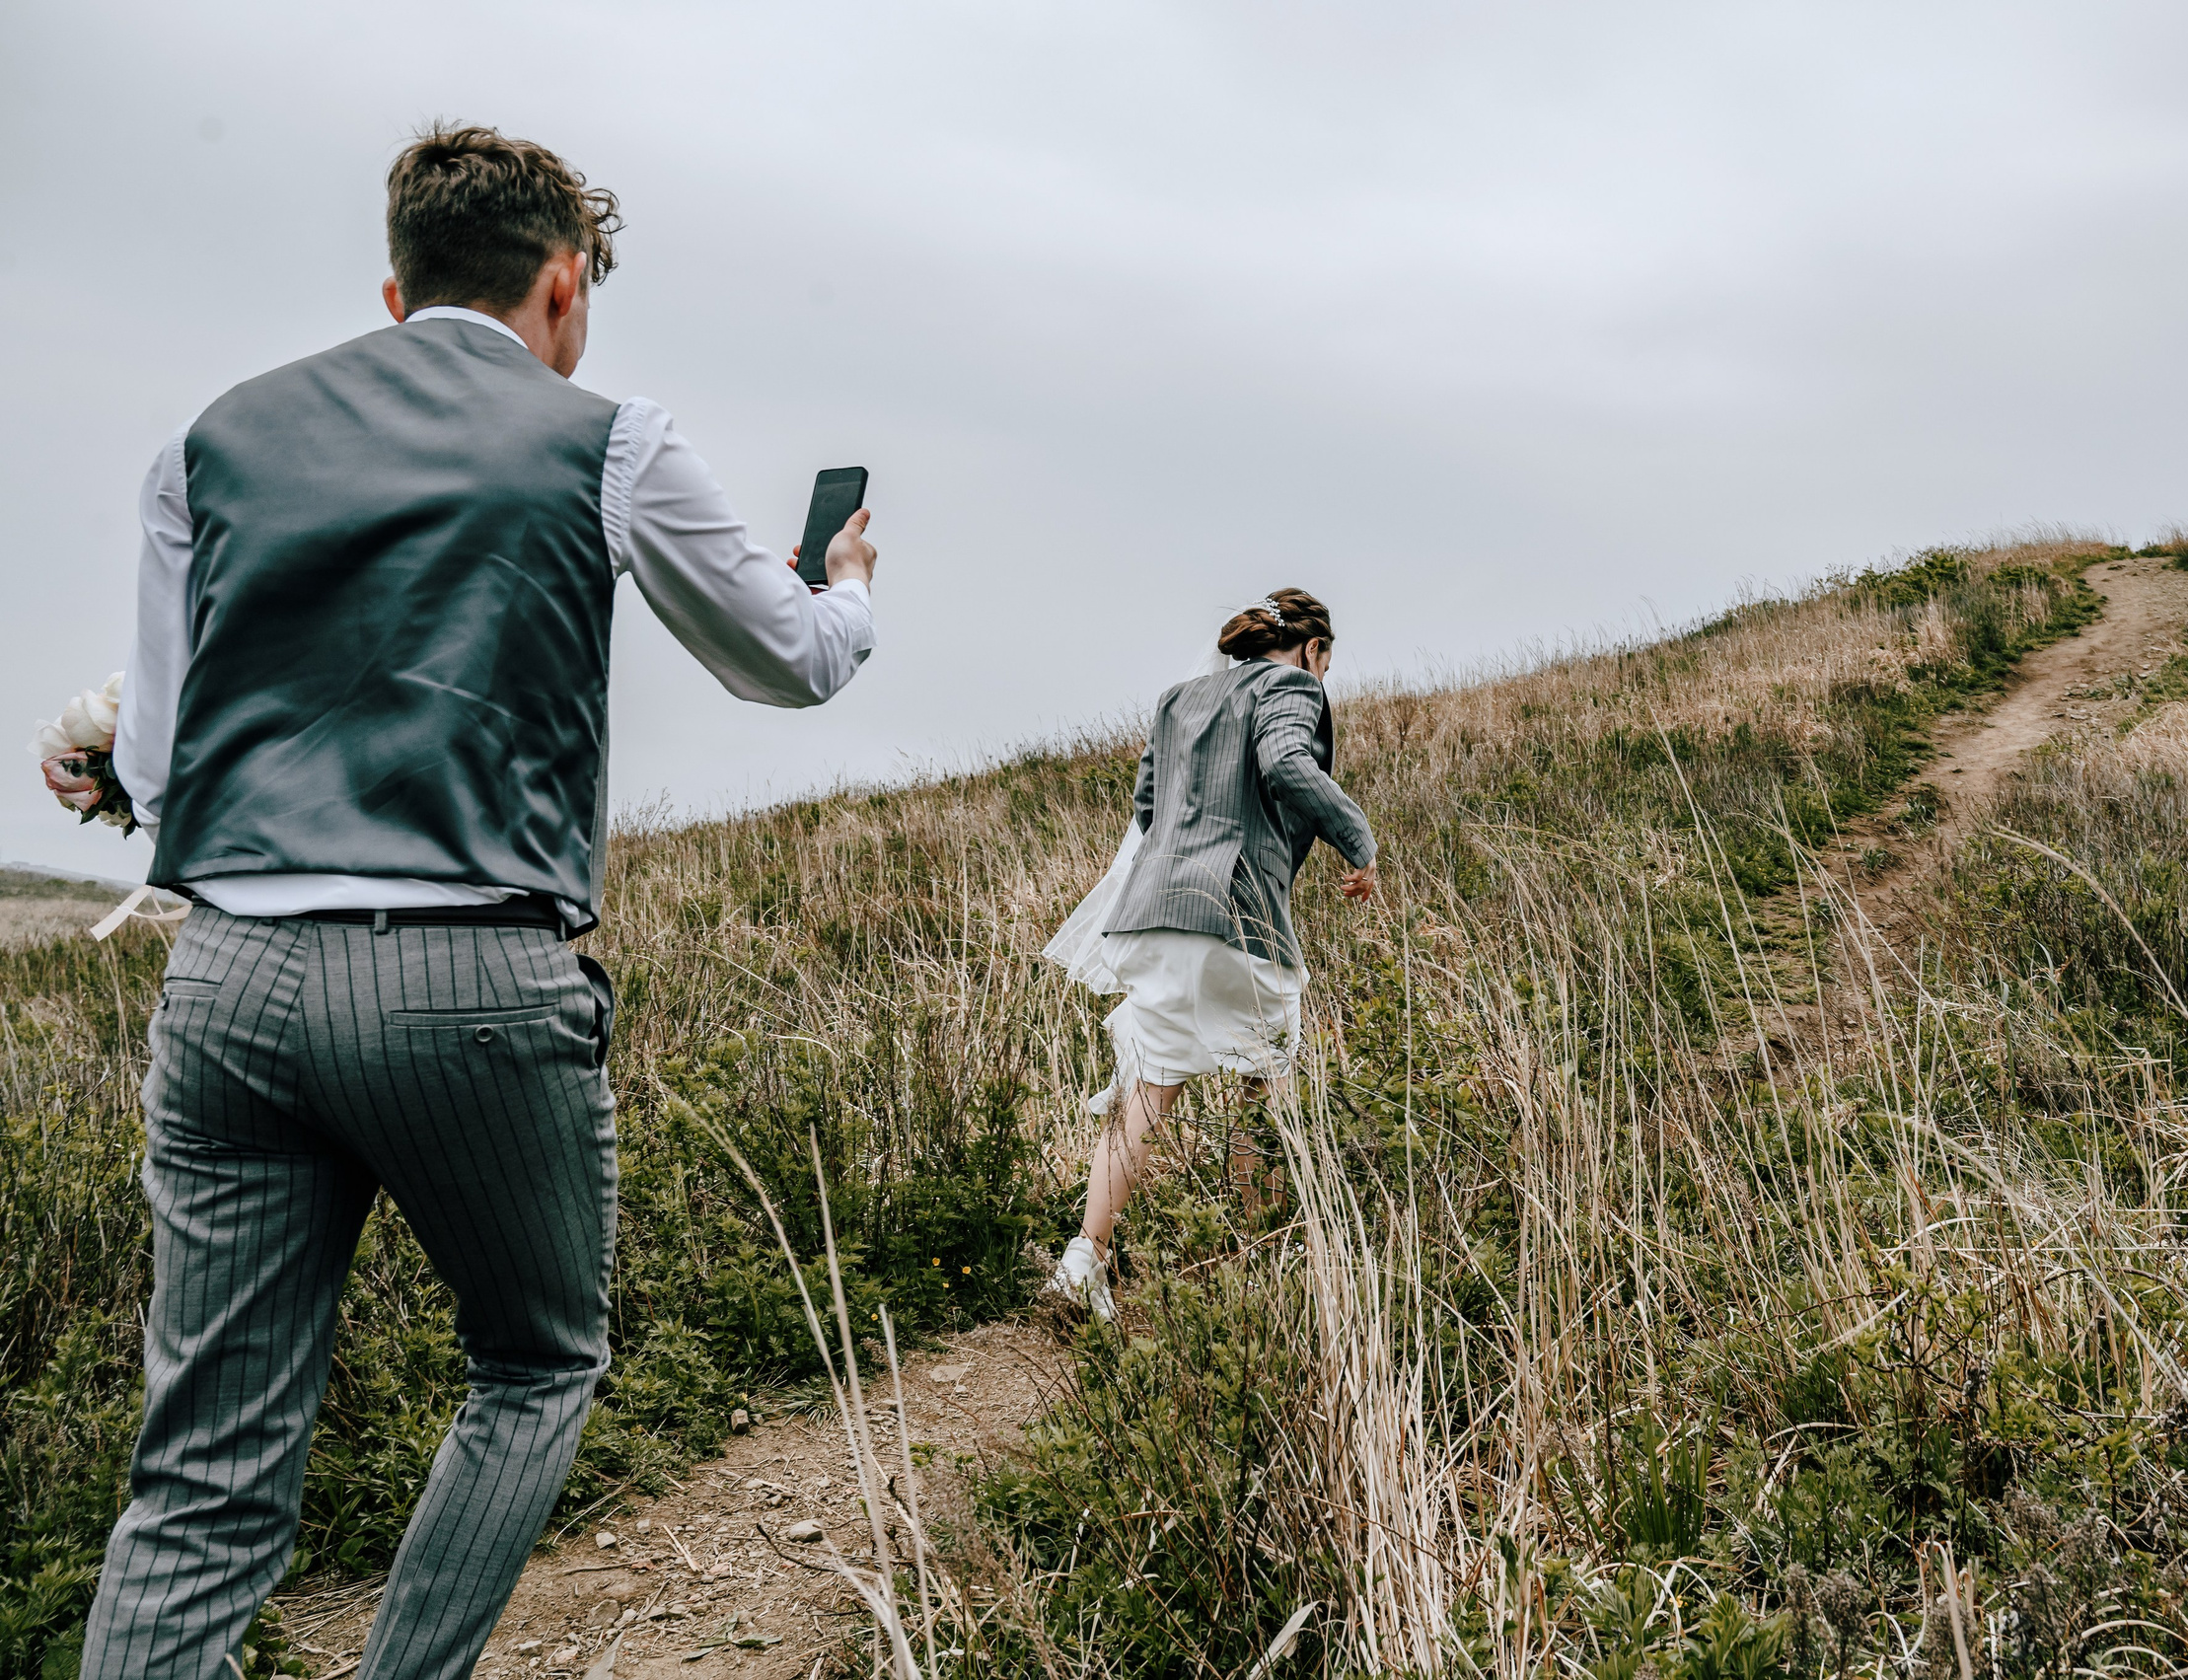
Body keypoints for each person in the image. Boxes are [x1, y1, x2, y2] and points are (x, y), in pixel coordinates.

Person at [88, 124, 881, 1680]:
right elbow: (784, 657)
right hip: (467, 972)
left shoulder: (208, 441)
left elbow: (158, 764)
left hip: (231, 977)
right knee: (533, 1359)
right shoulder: (607, 437)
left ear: (397, 288)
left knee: (199, 1477)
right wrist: (847, 581)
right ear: (565, 283)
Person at [1041, 589, 1377, 1320]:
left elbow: (1147, 806)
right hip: (1237, 914)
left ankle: (1082, 1265)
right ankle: (1260, 1255)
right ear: (1315, 651)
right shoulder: (1291, 686)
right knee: (1266, 1079)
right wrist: (1358, 841)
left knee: (1150, 1091)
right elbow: (1287, 762)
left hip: (1155, 913)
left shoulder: (1179, 699)